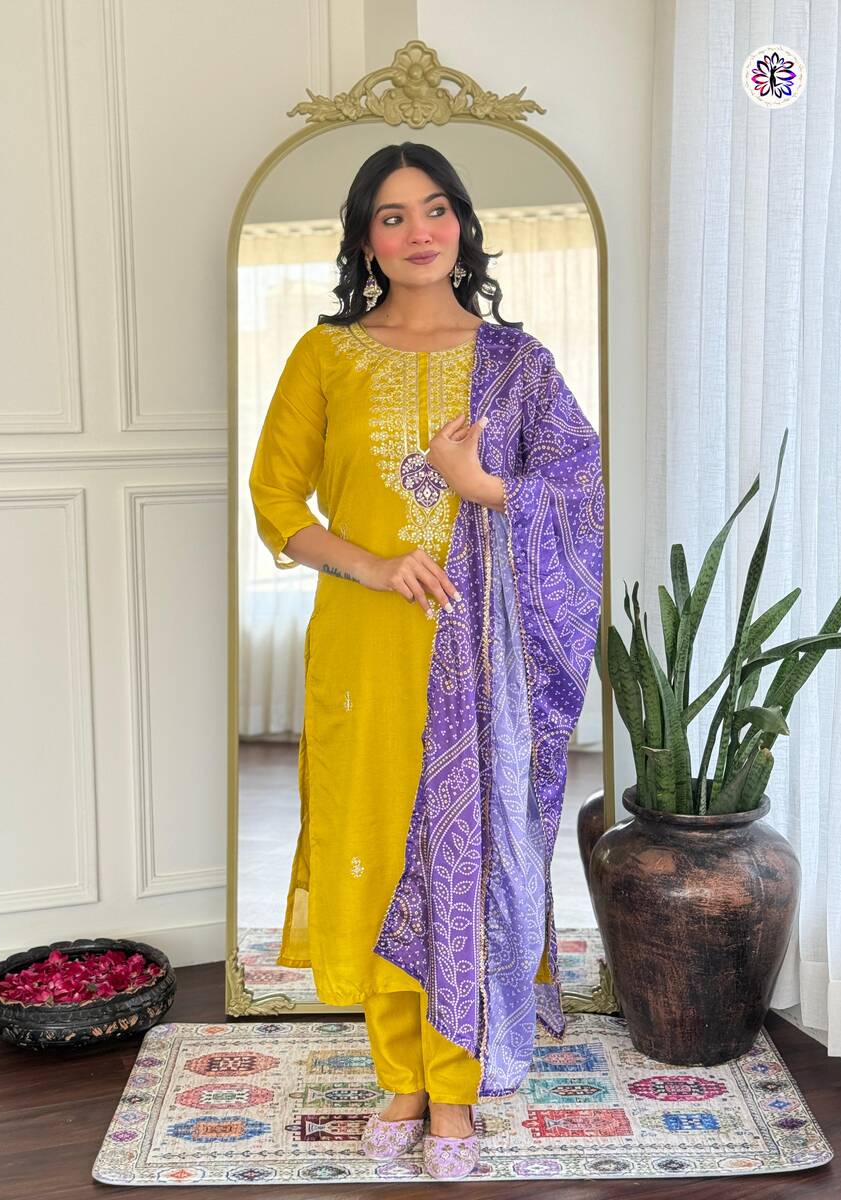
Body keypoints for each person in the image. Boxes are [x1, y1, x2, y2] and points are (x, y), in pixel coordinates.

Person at [249, 142, 603, 1180]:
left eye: (436, 209)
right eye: (393, 215)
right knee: (376, 846)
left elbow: (580, 490)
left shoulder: (518, 363)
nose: (419, 232)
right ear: (366, 240)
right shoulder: (324, 355)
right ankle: (398, 1074)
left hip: (483, 650)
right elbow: (275, 504)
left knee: (468, 848)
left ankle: (454, 1086)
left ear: (463, 226)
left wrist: (481, 487)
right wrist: (376, 563)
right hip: (366, 643)